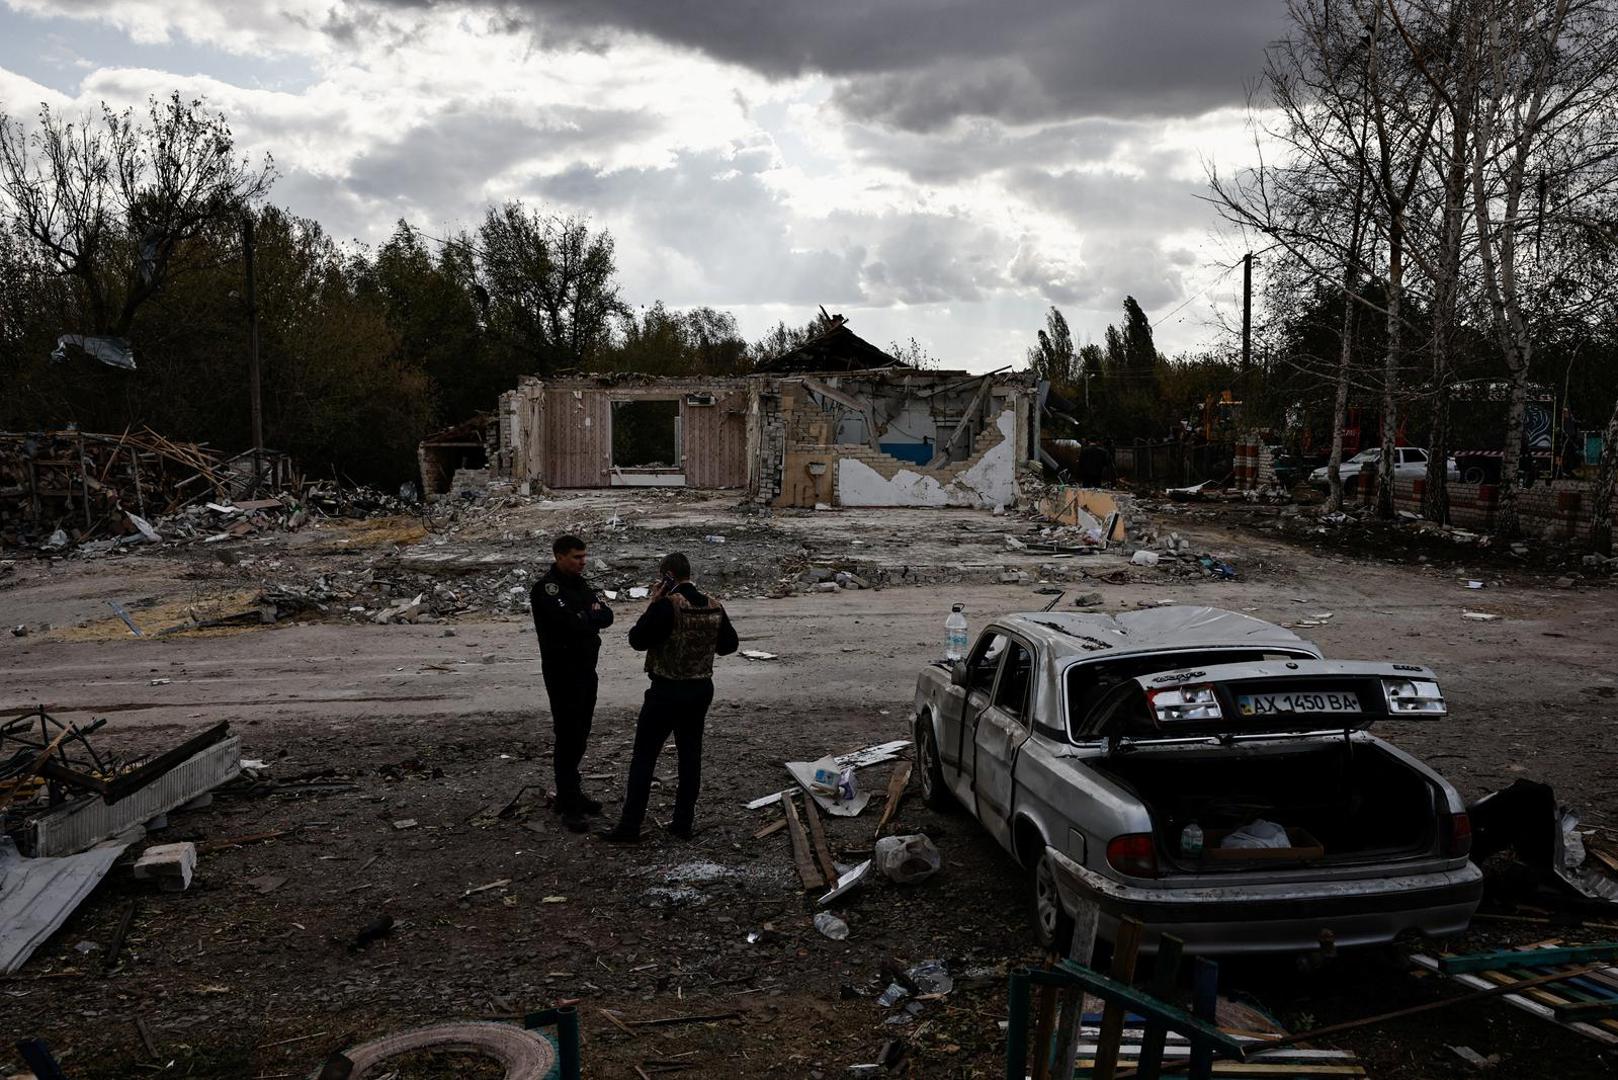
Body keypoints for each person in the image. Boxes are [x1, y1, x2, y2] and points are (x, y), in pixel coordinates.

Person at [600, 552, 738, 843]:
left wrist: (652, 603)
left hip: (666, 690)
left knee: (645, 757)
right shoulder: (714, 605)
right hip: (700, 689)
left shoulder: (666, 606)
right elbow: (729, 646)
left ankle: (630, 826)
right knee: (690, 757)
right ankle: (682, 823)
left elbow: (637, 640)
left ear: (667, 576)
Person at [530, 534, 613, 833]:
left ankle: (572, 792)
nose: (583, 561)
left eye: (584, 556)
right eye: (577, 557)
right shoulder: (547, 589)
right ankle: (568, 802)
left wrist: (585, 617)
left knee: (581, 733)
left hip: (585, 670)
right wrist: (585, 618)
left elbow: (607, 615)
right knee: (567, 735)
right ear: (559, 556)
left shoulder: (580, 585)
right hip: (562, 673)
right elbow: (569, 623)